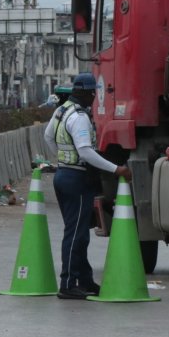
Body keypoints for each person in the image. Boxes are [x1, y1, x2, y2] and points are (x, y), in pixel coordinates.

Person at [43, 73, 131, 300]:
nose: (94, 98)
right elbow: (85, 151)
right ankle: (68, 283)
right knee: (76, 234)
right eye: (93, 93)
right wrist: (115, 169)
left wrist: (63, 161)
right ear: (89, 93)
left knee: (78, 232)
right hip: (77, 179)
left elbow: (48, 137)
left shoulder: (62, 111)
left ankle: (85, 280)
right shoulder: (80, 117)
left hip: (64, 175)